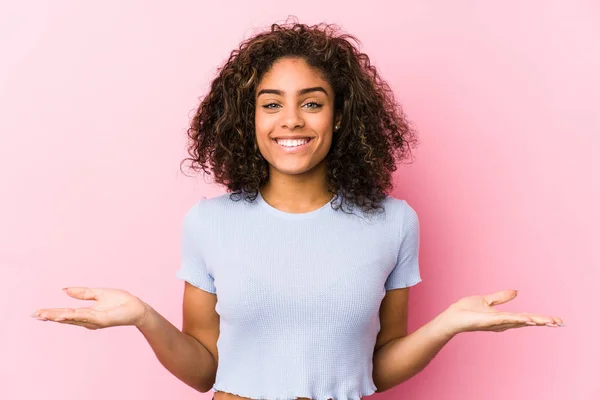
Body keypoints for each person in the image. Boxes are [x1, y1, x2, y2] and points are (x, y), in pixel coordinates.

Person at [31, 20, 565, 400]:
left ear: (341, 116)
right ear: (247, 121)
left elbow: (374, 371)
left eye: (311, 102)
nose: (291, 120)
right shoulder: (210, 222)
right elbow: (204, 371)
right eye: (271, 104)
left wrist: (445, 326)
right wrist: (143, 317)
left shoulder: (394, 222)